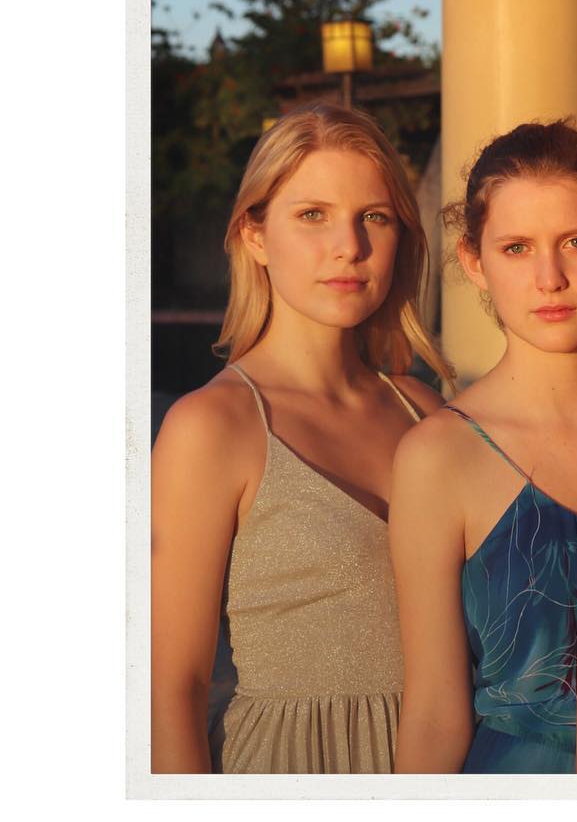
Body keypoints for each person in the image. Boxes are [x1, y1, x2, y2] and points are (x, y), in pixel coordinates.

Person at [151, 103, 452, 774]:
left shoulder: (426, 415)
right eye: (312, 215)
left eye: (373, 216)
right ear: (255, 236)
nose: (350, 245)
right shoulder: (213, 427)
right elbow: (170, 689)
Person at [389, 120, 577, 773]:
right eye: (517, 248)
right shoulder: (439, 456)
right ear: (474, 261)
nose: (550, 277)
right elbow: (433, 714)